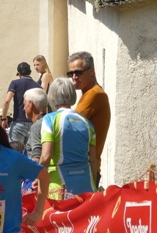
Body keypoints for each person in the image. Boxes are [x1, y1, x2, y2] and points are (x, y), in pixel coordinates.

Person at [41, 78, 96, 198]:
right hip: (87, 185)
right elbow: (93, 159)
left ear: (52, 95)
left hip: (60, 187)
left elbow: (46, 156)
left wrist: (37, 176)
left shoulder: (49, 119)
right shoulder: (87, 122)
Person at [67, 51, 111, 187]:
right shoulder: (89, 93)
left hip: (84, 169)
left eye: (78, 73)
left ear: (92, 71)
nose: (74, 77)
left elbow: (67, 124)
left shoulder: (94, 94)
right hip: (84, 167)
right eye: (71, 74)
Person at [0, 62, 42, 145]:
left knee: (15, 150)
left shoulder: (15, 83)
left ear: (19, 74)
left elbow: (7, 101)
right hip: (33, 123)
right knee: (31, 151)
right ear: (30, 72)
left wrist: (4, 118)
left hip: (18, 122)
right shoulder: (37, 86)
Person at [23, 87, 48, 162]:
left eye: (24, 104)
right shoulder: (50, 121)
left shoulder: (36, 126)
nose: (24, 108)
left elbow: (36, 158)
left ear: (30, 104)